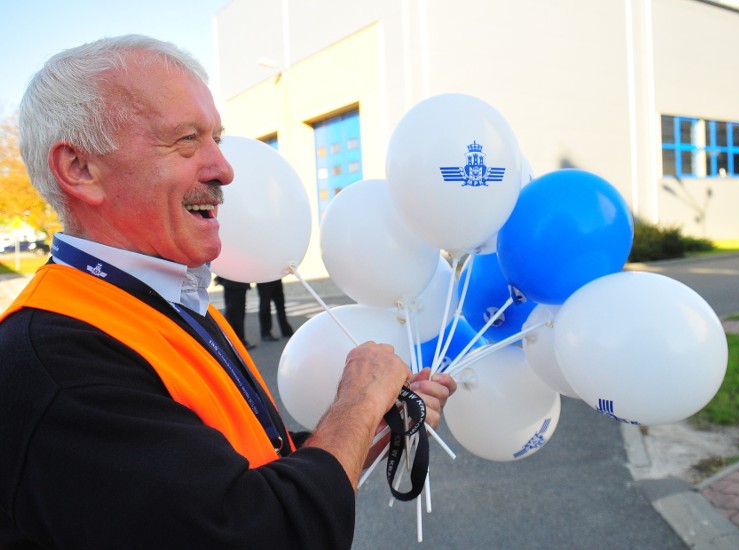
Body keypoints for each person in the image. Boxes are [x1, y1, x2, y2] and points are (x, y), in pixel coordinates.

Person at [0, 35, 456, 548]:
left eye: (217, 137)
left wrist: (376, 422)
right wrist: (357, 400)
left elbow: (238, 475)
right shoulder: (57, 360)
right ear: (80, 169)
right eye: (186, 140)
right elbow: (257, 531)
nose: (224, 168)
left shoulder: (160, 301)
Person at [215, 274, 255, 349]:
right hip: (234, 283)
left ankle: (236, 340)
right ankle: (236, 341)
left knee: (236, 313)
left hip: (234, 283)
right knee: (236, 314)